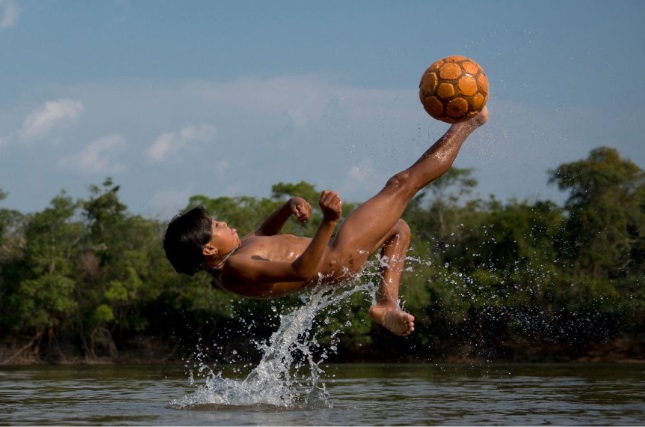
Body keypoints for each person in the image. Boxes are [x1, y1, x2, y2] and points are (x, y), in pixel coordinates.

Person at [164, 107, 489, 337]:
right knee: (402, 184)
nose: (223, 223)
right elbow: (301, 271)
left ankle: (385, 304)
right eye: (216, 226)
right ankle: (470, 121)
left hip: (337, 259)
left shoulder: (237, 253)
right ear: (208, 249)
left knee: (398, 228)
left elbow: (264, 233)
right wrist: (328, 222)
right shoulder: (234, 270)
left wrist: (288, 206)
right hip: (336, 255)